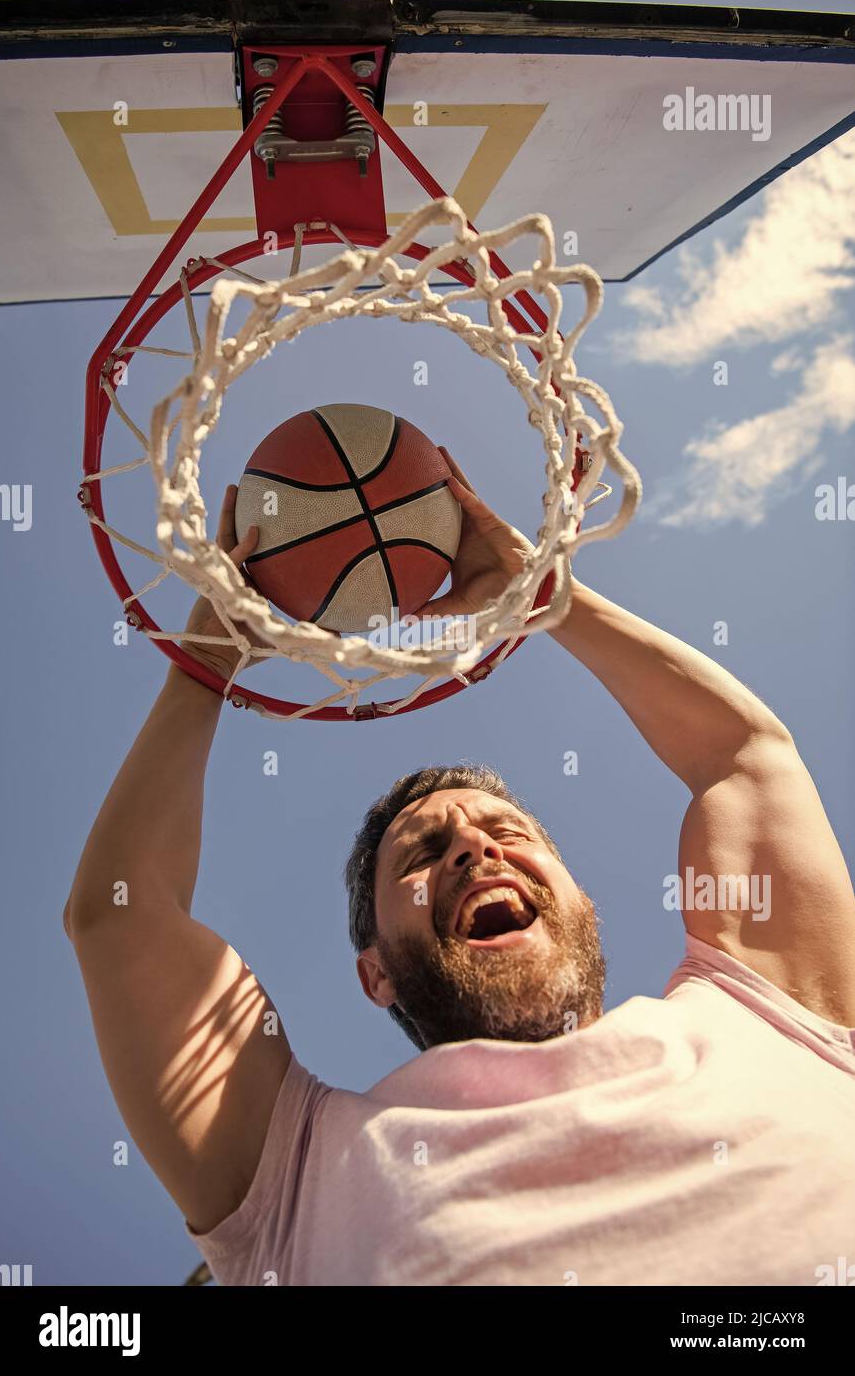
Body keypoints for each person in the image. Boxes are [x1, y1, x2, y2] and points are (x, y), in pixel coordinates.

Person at [64, 452, 855, 1286]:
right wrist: (205, 663)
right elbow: (122, 919)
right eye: (425, 854)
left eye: (507, 833)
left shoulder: (769, 1009)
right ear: (374, 975)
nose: (477, 850)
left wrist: (552, 603)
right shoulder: (293, 1169)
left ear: (583, 900)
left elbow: (743, 756)